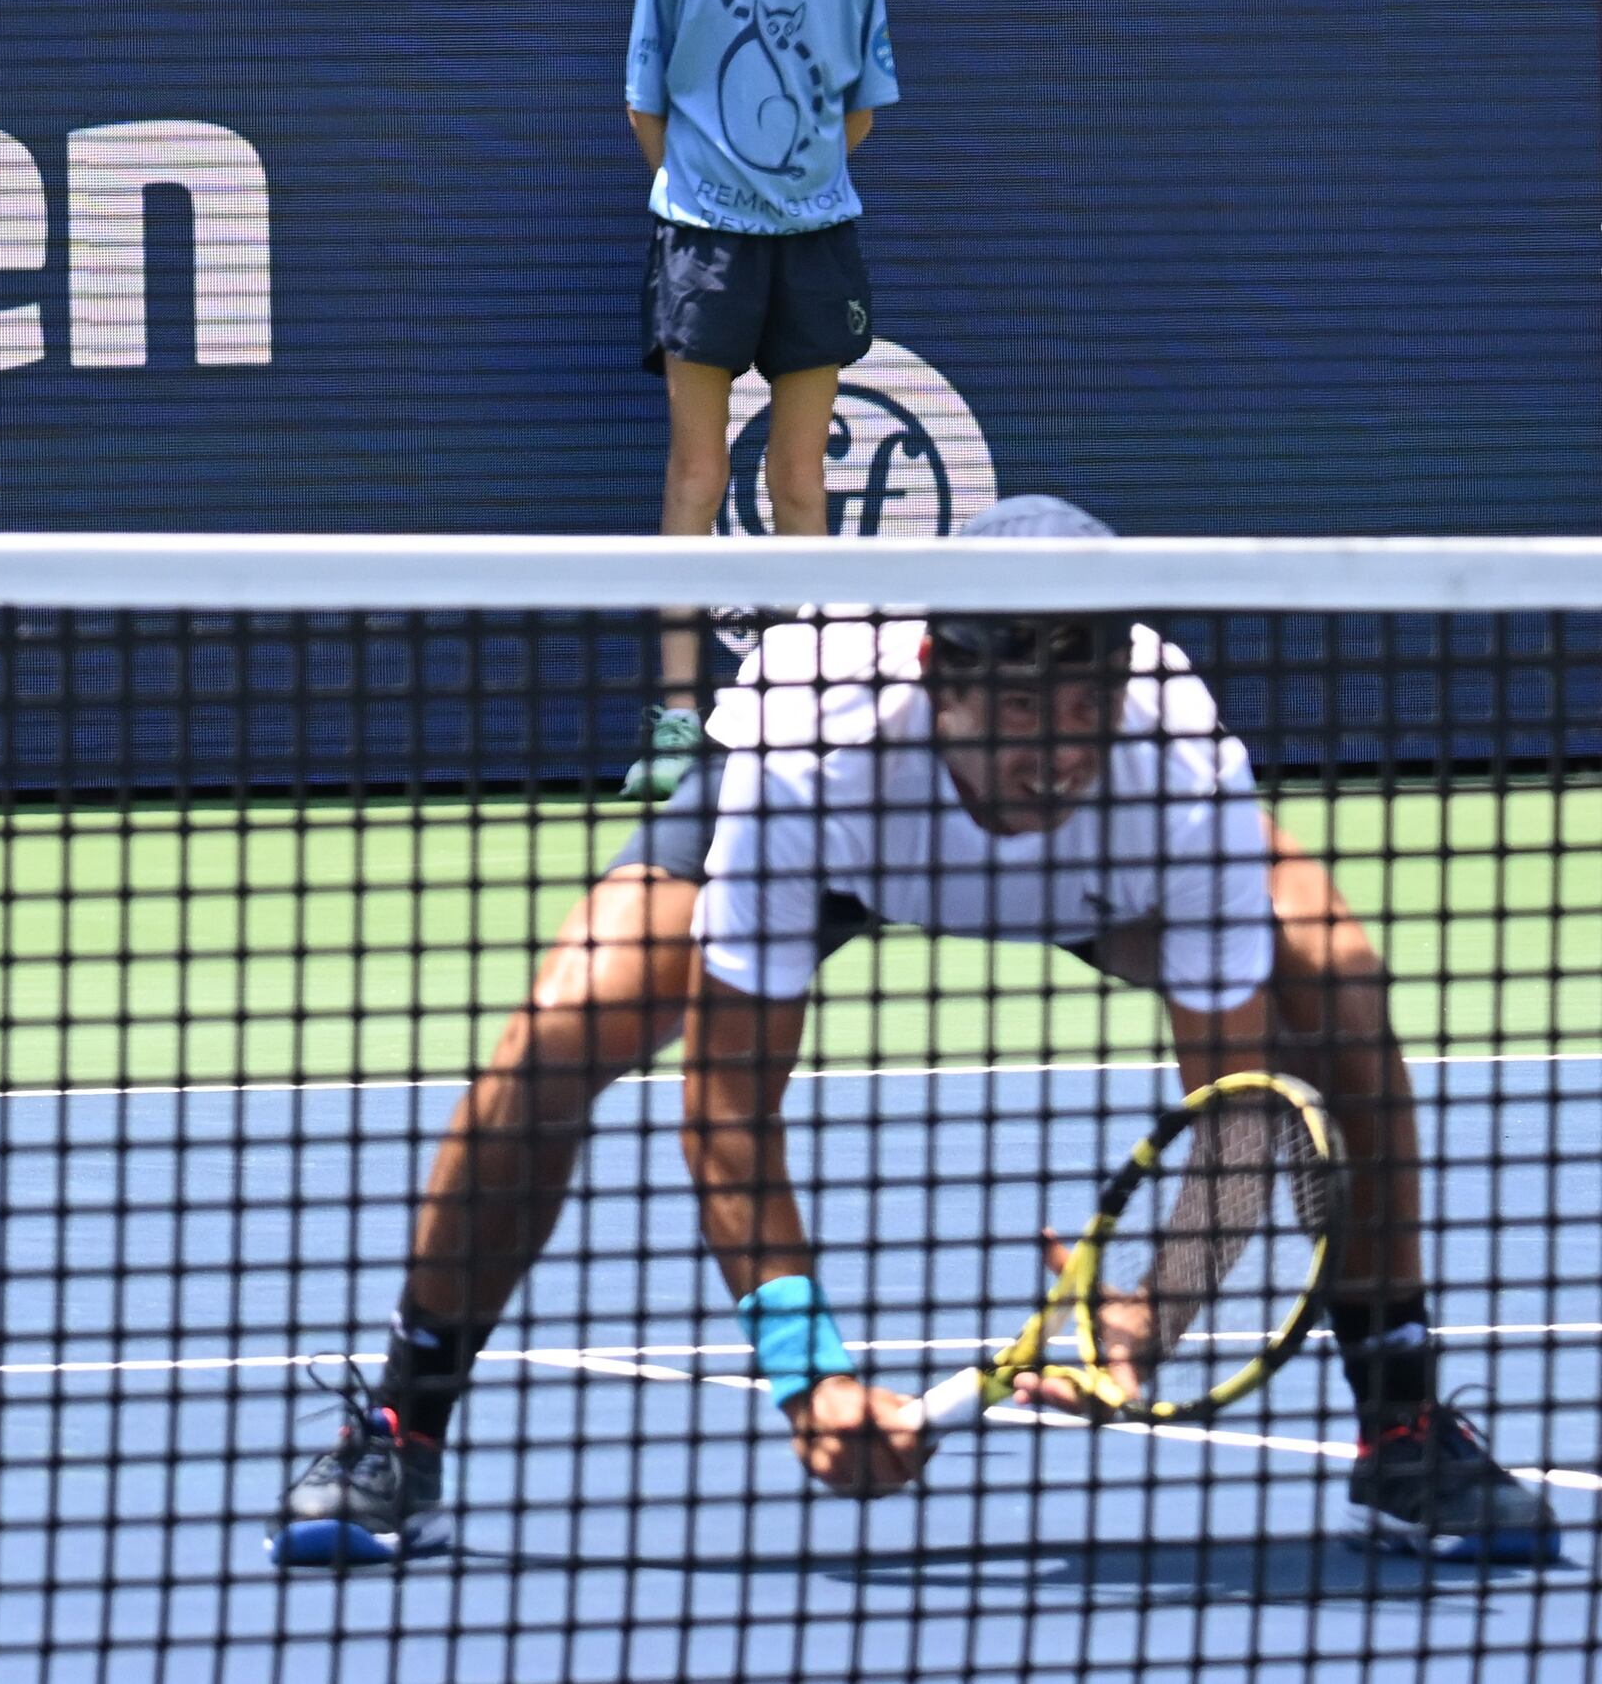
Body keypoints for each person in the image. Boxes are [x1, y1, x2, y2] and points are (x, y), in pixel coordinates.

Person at [266, 496, 1557, 1571]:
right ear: (943, 673)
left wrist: (1164, 1301)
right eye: (1024, 709)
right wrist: (810, 1373)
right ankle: (401, 1418)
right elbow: (728, 1109)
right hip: (845, 848)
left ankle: (1401, 1425)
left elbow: (1235, 1103)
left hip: (1101, 885)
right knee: (558, 1033)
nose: (1060, 752)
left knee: (1337, 978)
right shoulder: (809, 733)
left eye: (1087, 703)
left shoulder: (1174, 753)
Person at [619, 0, 895, 798]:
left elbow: (858, 111)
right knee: (693, 480)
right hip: (702, 245)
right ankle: (679, 720)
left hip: (816, 244)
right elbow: (647, 109)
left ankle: (810, 709)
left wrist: (789, 195)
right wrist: (711, 200)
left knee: (799, 486)